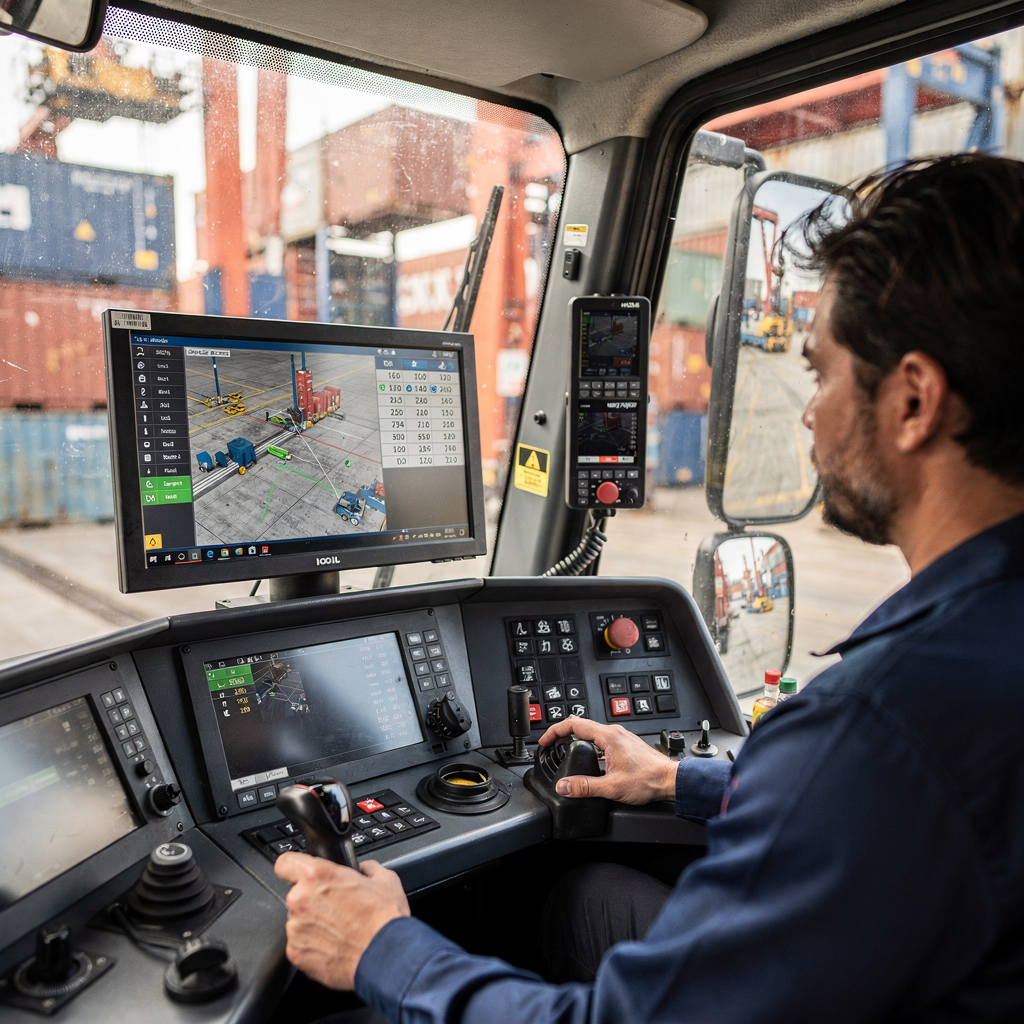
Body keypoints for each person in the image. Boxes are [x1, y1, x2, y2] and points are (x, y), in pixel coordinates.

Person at [274, 154, 1024, 1022]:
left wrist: (383, 951)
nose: (811, 412)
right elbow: (880, 824)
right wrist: (681, 781)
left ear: (915, 401)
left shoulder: (876, 728)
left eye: (821, 373)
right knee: (582, 898)